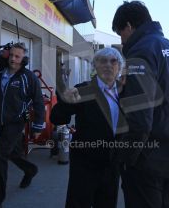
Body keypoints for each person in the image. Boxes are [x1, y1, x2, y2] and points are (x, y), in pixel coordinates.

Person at [112, 1, 169, 208]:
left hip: (146, 162)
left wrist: (125, 157)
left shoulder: (140, 52)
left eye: (120, 33)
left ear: (129, 26)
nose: (121, 40)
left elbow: (139, 118)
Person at [50, 47, 126, 208]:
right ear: (95, 66)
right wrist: (64, 100)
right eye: (103, 61)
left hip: (112, 164)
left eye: (113, 61)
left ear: (119, 66)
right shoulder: (83, 89)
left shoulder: (126, 91)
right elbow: (56, 118)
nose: (108, 65)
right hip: (85, 164)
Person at [0, 42, 45, 208]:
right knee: (13, 153)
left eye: (18, 56)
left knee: (0, 155)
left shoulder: (28, 77)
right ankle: (30, 170)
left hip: (17, 122)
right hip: (0, 121)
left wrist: (38, 126)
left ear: (24, 59)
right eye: (12, 55)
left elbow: (38, 102)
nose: (13, 59)